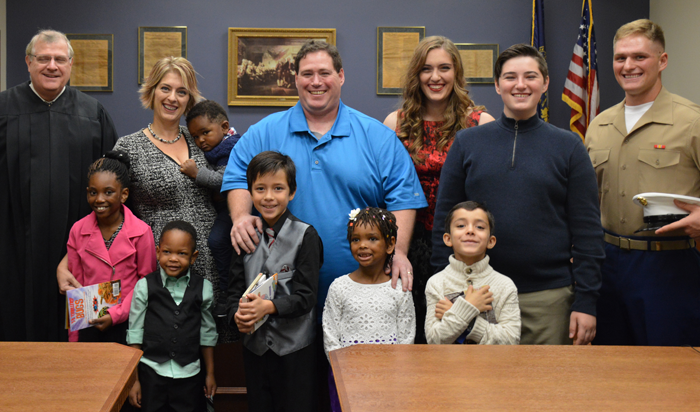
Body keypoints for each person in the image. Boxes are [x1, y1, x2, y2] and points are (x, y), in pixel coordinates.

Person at [432, 44, 604, 345]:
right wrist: (440, 287)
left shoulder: (569, 147)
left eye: (530, 76)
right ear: (497, 85)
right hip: (476, 295)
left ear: (545, 83)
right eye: (510, 77)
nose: (520, 85)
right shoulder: (467, 143)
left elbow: (588, 231)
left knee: (545, 388)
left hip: (548, 298)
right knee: (477, 389)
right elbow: (443, 221)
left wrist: (586, 301)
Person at [585, 19, 700, 346]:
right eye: (620, 58)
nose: (628, 66)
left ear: (662, 61)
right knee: (612, 371)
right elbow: (585, 199)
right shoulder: (599, 125)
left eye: (639, 57)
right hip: (607, 265)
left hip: (669, 266)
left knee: (669, 373)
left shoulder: (691, 121)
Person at [0, 29, 119, 341]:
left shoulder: (93, 113)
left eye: (59, 59)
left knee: (90, 334)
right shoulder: (3, 108)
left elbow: (113, 182)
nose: (51, 66)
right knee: (14, 331)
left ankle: (93, 389)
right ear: (28, 62)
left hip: (85, 246)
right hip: (12, 243)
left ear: (70, 64)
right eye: (43, 59)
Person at [383, 35, 495, 343]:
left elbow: (490, 192)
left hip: (462, 246)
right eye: (426, 69)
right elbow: (385, 189)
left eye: (444, 68)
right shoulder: (396, 122)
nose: (435, 77)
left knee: (460, 333)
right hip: (409, 245)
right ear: (416, 75)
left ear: (457, 73)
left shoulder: (481, 123)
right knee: (415, 332)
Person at [228, 151, 323, 412]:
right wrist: (236, 315)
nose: (268, 196)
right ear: (250, 192)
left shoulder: (307, 236)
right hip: (254, 350)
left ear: (291, 192)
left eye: (278, 188)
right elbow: (232, 292)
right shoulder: (243, 237)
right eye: (260, 189)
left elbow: (306, 296)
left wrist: (269, 307)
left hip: (295, 351)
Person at [323, 207, 415, 412]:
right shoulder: (339, 287)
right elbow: (330, 335)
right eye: (356, 240)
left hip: (390, 379)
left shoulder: (399, 290)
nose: (363, 245)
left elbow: (407, 336)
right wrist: (343, 369)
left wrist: (395, 370)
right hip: (346, 379)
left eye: (372, 238)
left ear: (390, 244)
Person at [65, 151, 156, 343]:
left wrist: (116, 315)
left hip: (130, 322)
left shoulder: (141, 231)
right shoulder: (78, 230)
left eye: (108, 192)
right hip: (90, 321)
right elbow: (76, 286)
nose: (99, 199)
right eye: (92, 192)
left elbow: (146, 282)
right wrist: (74, 339)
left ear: (123, 195)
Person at [127, 220, 217, 411]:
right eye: (167, 252)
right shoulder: (144, 286)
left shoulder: (204, 289)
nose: (173, 259)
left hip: (190, 376)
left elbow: (207, 335)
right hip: (151, 373)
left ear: (193, 257)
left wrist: (210, 373)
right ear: (158, 251)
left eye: (182, 253)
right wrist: (134, 380)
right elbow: (135, 333)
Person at [425, 201, 520, 345]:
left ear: (491, 241)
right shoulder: (436, 283)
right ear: (448, 239)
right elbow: (434, 339)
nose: (470, 231)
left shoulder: (505, 285)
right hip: (448, 366)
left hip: (492, 366)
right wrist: (470, 306)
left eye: (480, 227)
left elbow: (511, 340)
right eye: (461, 226)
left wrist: (466, 318)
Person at [183, 100, 241, 316]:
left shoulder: (231, 148)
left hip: (235, 208)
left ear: (224, 127)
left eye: (205, 132)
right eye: (195, 136)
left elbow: (224, 178)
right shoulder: (218, 147)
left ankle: (228, 294)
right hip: (223, 208)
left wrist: (196, 173)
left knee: (217, 241)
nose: (200, 141)